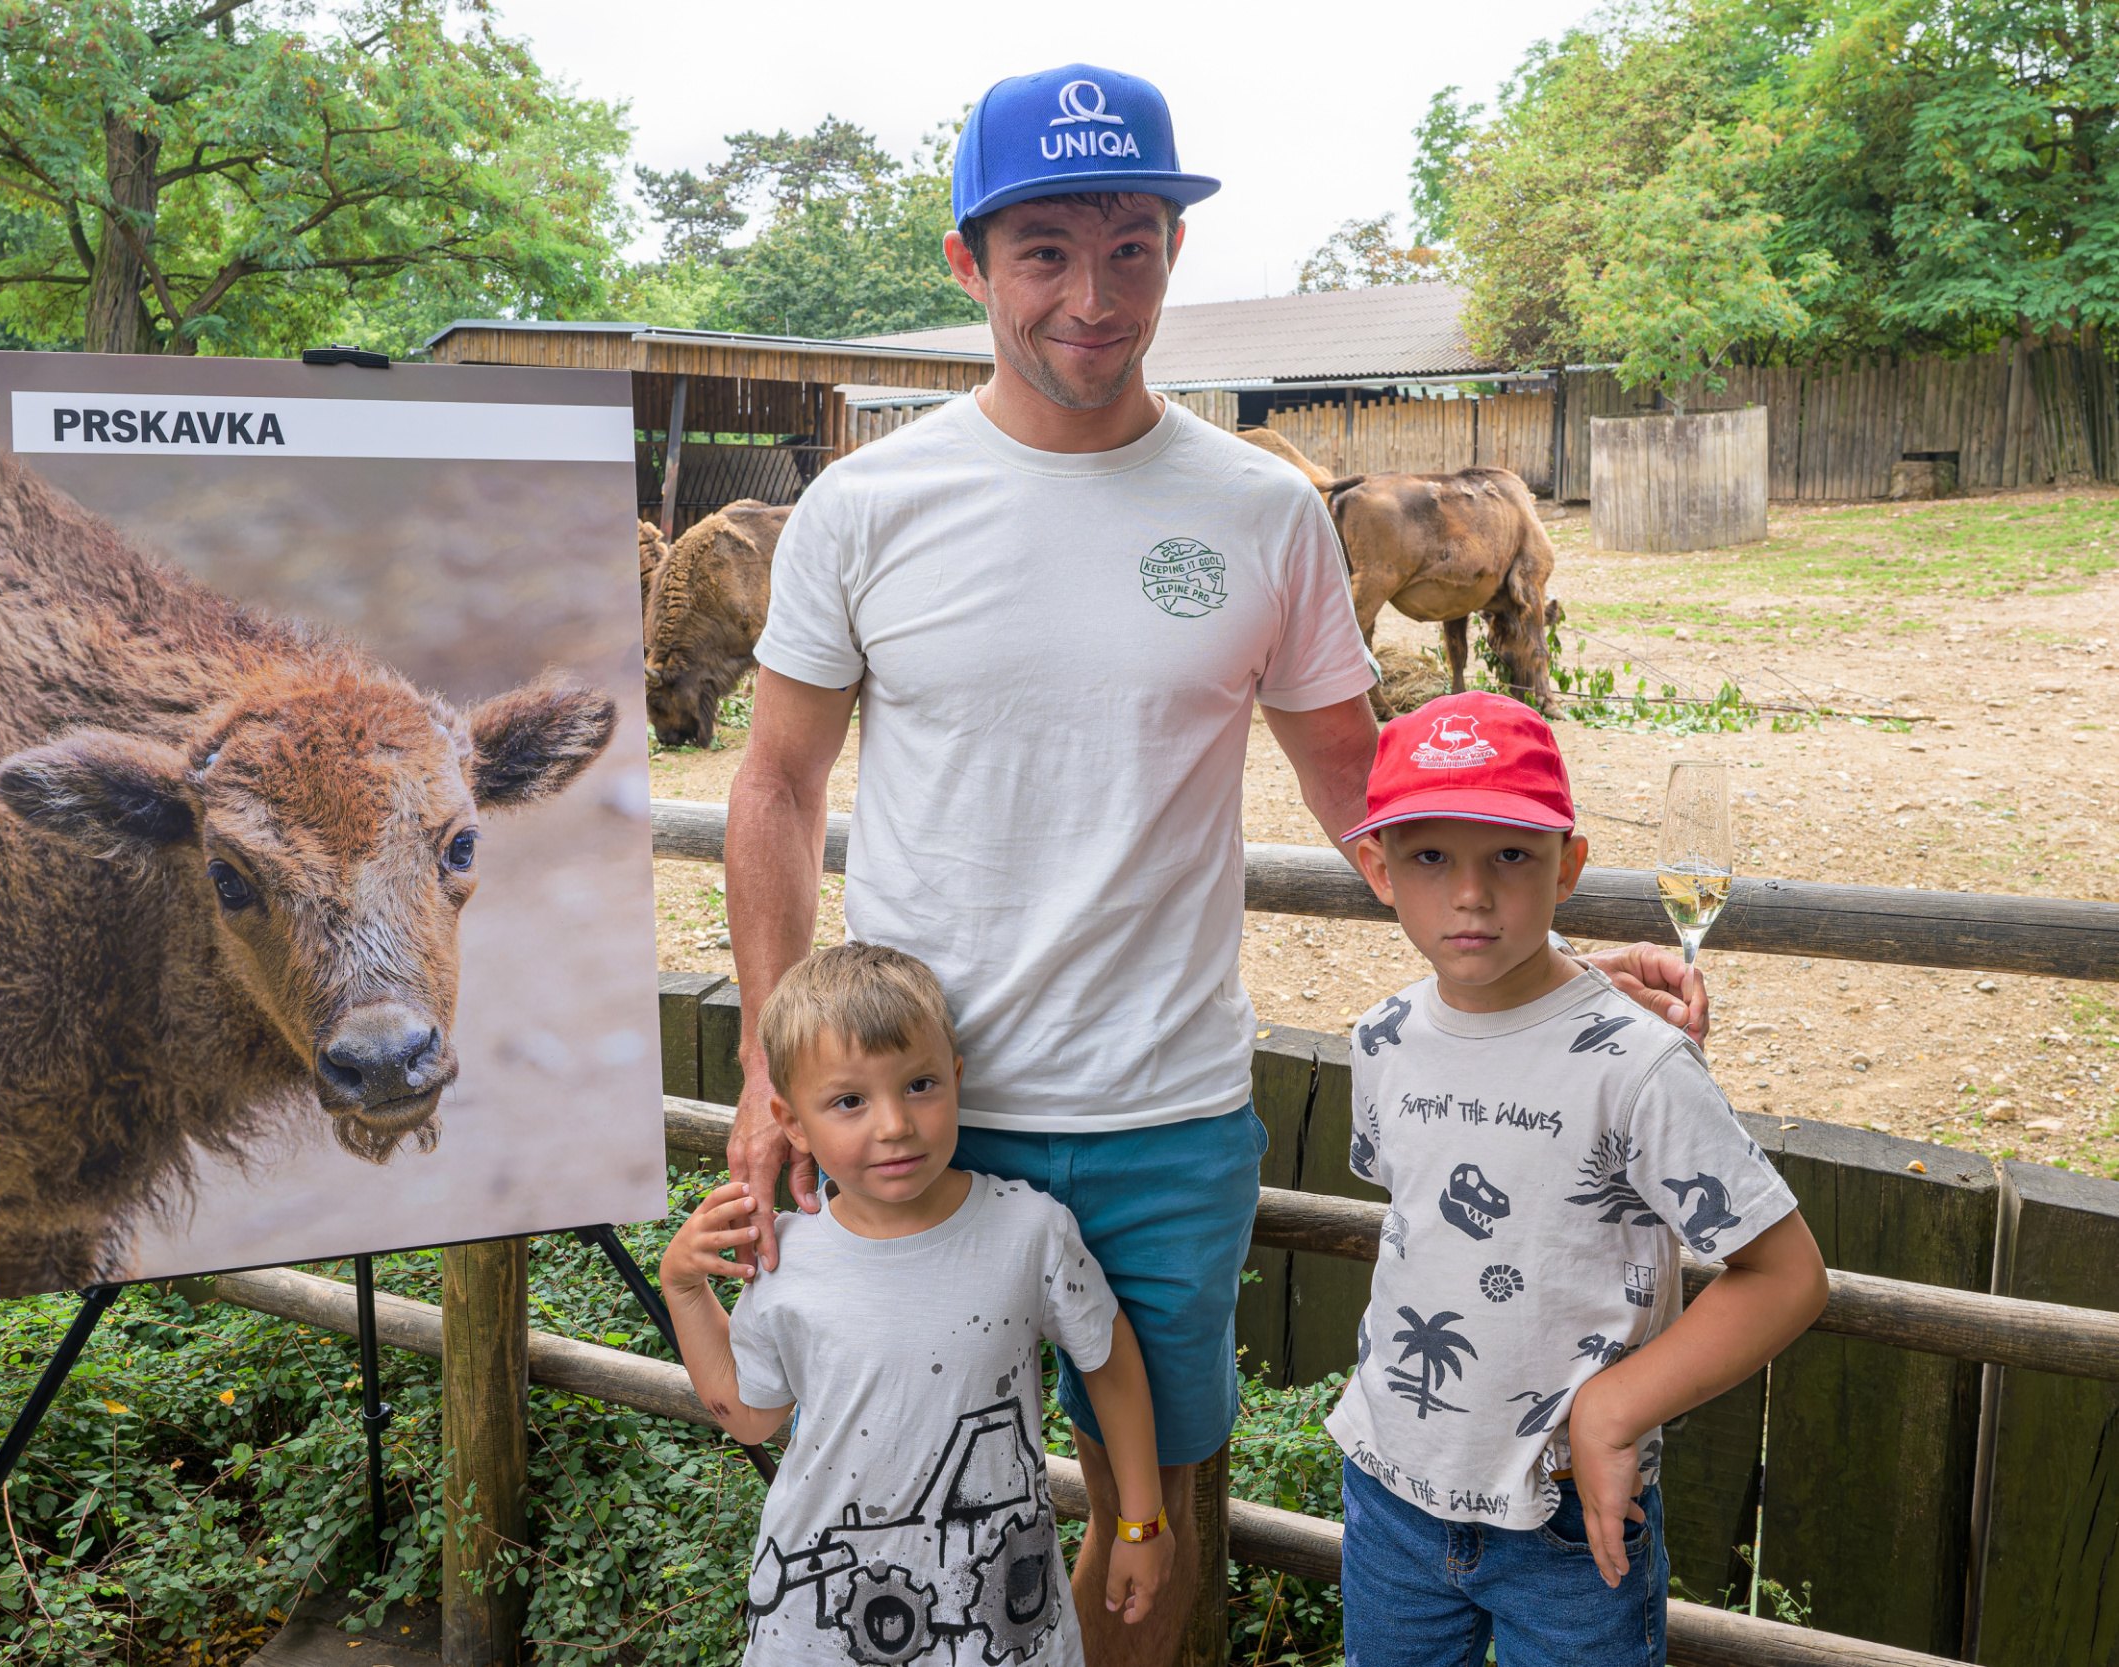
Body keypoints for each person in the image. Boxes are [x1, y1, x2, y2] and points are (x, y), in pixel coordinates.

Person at [724, 60, 1709, 1664]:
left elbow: (1359, 783)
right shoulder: (865, 505)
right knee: (891, 1493)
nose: (1093, 296)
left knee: (1152, 1511)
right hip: (911, 1100)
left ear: (1175, 252)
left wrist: (1553, 974)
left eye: (1132, 248)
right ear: (969, 261)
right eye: (1046, 252)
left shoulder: (1259, 508)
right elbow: (775, 784)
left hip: (1162, 1111)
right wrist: (776, 1075)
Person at [1327, 691, 1828, 1666]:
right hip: (1389, 1492)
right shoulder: (1380, 1039)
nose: (1471, 894)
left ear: (1568, 865)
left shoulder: (1640, 1066)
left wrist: (1611, 1409)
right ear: (1378, 869)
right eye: (1430, 857)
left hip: (1571, 1511)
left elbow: (1788, 1274)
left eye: (1511, 855)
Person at [660, 942, 1172, 1666]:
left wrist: (1141, 1520)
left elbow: (1109, 1358)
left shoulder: (1029, 1232)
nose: (894, 1124)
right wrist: (683, 1288)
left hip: (1004, 1622)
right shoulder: (784, 1261)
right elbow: (750, 1415)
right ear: (792, 1122)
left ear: (955, 1079)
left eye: (920, 1085)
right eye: (850, 1101)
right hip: (815, 1643)